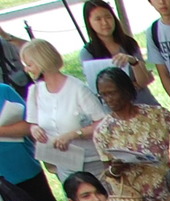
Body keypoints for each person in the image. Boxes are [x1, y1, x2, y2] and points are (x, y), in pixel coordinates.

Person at [91, 68, 170, 201]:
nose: (108, 99)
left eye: (112, 93)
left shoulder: (154, 115)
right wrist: (116, 169)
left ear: (126, 90)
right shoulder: (104, 131)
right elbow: (108, 172)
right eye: (103, 95)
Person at [23, 39, 107, 187]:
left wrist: (73, 134)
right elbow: (33, 123)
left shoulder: (77, 89)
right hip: (63, 162)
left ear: (42, 62)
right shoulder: (35, 91)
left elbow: (102, 123)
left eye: (29, 65)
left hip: (91, 161)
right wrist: (35, 129)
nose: (26, 69)